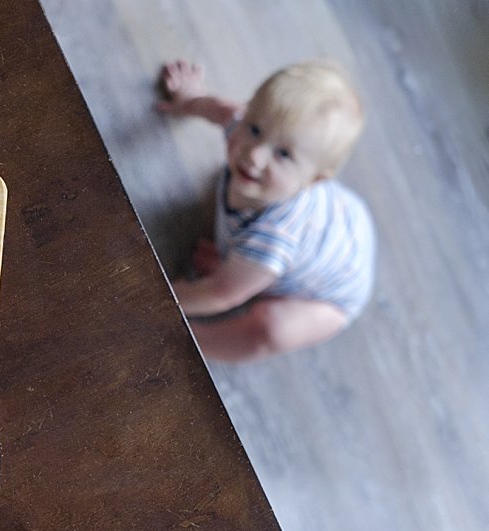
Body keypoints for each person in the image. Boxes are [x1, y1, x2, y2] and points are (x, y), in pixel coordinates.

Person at [157, 59, 376, 362]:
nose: (255, 155)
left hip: (331, 295)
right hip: (341, 221)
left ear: (315, 180)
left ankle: (190, 342)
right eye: (256, 128)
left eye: (284, 154)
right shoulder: (244, 131)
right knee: (242, 265)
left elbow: (222, 294)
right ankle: (240, 269)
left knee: (271, 330)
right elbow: (224, 111)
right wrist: (189, 99)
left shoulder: (274, 237)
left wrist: (154, 300)